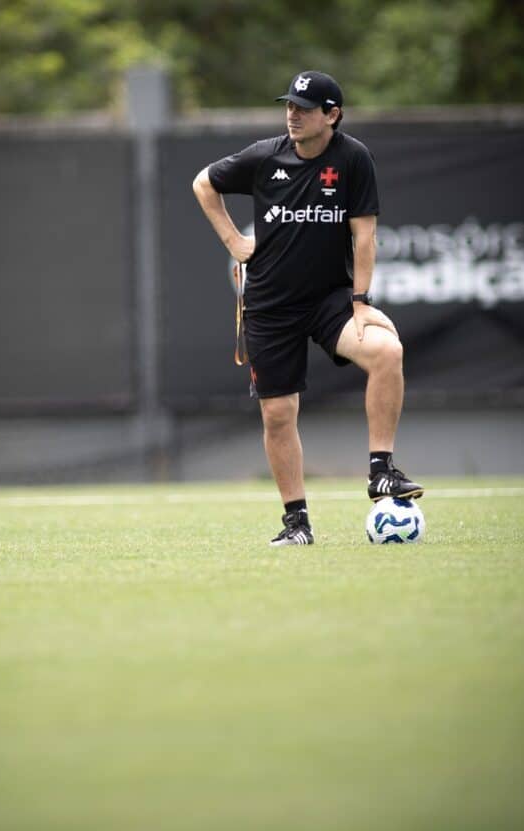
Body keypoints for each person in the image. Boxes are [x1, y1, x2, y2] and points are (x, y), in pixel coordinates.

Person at [192, 70, 424, 546]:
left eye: (304, 107)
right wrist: (235, 241)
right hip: (271, 306)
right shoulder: (264, 157)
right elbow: (203, 183)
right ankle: (296, 523)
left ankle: (381, 471)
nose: (292, 114)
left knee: (386, 352)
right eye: (289, 106)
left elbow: (364, 235)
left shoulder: (354, 158)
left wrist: (360, 303)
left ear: (332, 115)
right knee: (278, 414)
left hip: (328, 301)